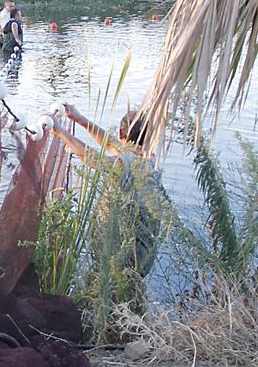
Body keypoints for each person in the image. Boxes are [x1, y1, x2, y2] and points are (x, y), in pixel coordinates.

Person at [47, 103, 168, 309]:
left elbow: (92, 157)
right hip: (143, 252)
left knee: (110, 292)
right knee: (128, 294)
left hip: (127, 254)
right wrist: (79, 118)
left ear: (122, 133)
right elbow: (111, 144)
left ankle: (104, 320)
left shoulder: (124, 164)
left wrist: (60, 132)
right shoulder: (148, 159)